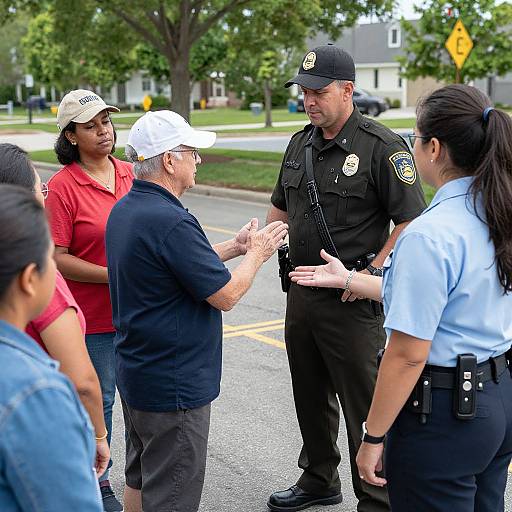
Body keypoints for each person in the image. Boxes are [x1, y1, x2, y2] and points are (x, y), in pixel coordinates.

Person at [290, 84, 512, 512]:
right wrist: (349, 280)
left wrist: (373, 436)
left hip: (446, 414)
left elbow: (408, 353)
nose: (411, 142)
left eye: (414, 134)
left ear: (434, 148)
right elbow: (440, 297)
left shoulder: (429, 234)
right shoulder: (496, 211)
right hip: (497, 398)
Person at [266, 44, 426, 512]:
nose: (309, 99)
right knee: (309, 393)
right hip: (301, 292)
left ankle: (377, 497)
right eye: (303, 91)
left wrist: (371, 273)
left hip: (352, 300)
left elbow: (410, 223)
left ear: (348, 90)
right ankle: (318, 477)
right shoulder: (300, 143)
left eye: (318, 91)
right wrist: (261, 241)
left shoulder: (381, 147)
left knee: (364, 402)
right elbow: (281, 203)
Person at [105, 110, 288, 512]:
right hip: (174, 388)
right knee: (172, 497)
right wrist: (257, 254)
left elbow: (177, 267)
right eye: (191, 152)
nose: (198, 160)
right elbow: (225, 295)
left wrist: (236, 248)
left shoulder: (127, 210)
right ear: (169, 160)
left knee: (139, 480)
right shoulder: (170, 220)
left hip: (138, 376)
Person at [45, 89, 133, 512]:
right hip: (95, 319)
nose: (103, 132)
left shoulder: (133, 174)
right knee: (102, 401)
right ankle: (98, 483)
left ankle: (139, 475)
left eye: (106, 122)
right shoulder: (62, 187)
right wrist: (117, 277)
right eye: (91, 125)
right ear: (71, 136)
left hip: (141, 313)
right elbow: (59, 259)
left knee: (142, 398)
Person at [0, 142, 109, 477]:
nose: (44, 195)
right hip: (44, 434)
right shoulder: (39, 275)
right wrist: (100, 436)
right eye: (39, 188)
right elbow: (83, 381)